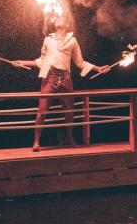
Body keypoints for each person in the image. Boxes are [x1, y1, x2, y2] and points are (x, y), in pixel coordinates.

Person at [24, 15, 107, 151]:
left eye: (62, 19)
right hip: (49, 77)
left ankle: (69, 137)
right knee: (42, 111)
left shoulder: (72, 40)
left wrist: (98, 68)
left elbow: (80, 62)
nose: (58, 19)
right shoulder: (48, 39)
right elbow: (41, 60)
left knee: (70, 112)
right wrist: (23, 62)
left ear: (68, 25)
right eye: (57, 18)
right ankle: (36, 141)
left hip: (65, 78)